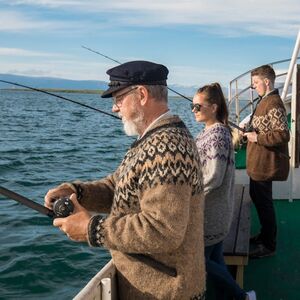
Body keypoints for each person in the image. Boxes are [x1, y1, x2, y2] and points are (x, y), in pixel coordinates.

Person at [44, 61, 206, 300]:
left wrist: (92, 228)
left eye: (118, 99)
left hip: (165, 293)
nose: (114, 108)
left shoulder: (166, 148)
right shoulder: (154, 140)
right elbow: (117, 186)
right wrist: (76, 193)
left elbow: (163, 231)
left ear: (141, 94)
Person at [192, 83, 256, 300]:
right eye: (193, 106)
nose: (194, 110)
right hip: (216, 210)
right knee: (216, 259)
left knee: (197, 260)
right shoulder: (211, 131)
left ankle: (242, 297)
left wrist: (187, 193)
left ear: (214, 107)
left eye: (198, 106)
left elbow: (213, 177)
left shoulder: (217, 135)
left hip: (211, 212)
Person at [243, 64, 290, 258]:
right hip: (258, 164)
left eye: (255, 83)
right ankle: (264, 236)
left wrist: (257, 138)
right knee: (260, 200)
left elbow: (283, 134)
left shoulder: (274, 103)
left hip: (265, 166)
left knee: (264, 204)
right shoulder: (265, 100)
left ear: (266, 82)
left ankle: (268, 245)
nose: (254, 87)